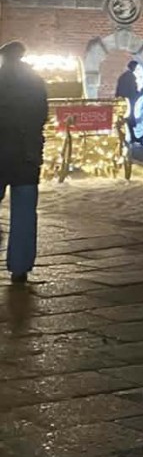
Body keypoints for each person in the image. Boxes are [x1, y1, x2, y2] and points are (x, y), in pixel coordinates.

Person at [0, 42, 49, 284]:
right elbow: (42, 116)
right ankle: (20, 267)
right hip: (26, 156)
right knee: (25, 213)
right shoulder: (35, 82)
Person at [114, 59, 141, 144]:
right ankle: (125, 137)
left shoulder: (124, 76)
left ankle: (131, 136)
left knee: (126, 119)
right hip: (128, 100)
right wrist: (138, 93)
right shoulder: (130, 76)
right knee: (127, 118)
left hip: (122, 99)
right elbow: (132, 90)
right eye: (135, 66)